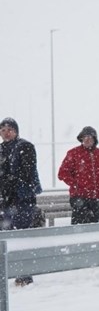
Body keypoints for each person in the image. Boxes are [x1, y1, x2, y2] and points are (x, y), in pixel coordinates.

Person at [0, 117, 43, 286]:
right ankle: (11, 272)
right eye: (2, 130)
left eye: (9, 129)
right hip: (6, 200)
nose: (6, 132)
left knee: (22, 235)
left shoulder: (25, 146)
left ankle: (25, 275)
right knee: (8, 236)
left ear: (16, 131)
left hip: (22, 198)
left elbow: (26, 172)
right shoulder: (1, 149)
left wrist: (8, 180)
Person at [58, 126, 99, 225]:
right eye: (85, 137)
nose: (87, 140)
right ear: (81, 139)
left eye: (90, 137)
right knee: (78, 227)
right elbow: (62, 173)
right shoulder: (73, 153)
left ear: (94, 139)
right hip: (79, 197)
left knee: (94, 227)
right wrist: (76, 184)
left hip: (95, 197)